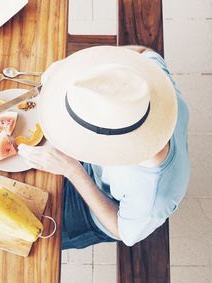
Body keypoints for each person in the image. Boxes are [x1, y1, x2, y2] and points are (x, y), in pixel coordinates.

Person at [18, 45, 190, 248]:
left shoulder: (153, 198)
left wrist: (72, 170)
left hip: (96, 209)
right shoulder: (151, 86)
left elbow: (121, 231)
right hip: (89, 167)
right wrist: (67, 68)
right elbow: (143, 52)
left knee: (29, 233)